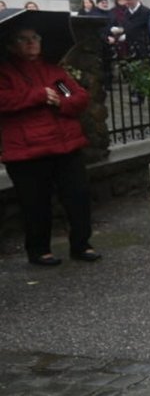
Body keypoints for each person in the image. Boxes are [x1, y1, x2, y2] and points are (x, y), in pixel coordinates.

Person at [0, 26, 100, 265]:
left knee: (78, 196)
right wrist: (37, 96)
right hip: (27, 152)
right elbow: (4, 100)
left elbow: (76, 97)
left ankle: (81, 244)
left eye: (35, 38)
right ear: (11, 46)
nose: (30, 43)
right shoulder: (5, 74)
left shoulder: (54, 73)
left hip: (66, 147)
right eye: (22, 39)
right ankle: (39, 250)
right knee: (35, 203)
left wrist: (61, 102)